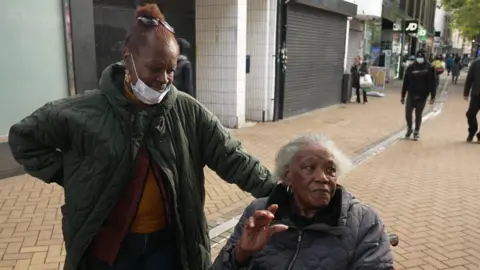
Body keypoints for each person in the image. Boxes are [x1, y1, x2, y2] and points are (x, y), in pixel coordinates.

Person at [8, 4, 277, 270]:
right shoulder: (83, 112)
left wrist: (280, 193)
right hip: (110, 248)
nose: (164, 79)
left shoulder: (189, 112)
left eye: (171, 69)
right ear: (129, 60)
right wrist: (74, 174)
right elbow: (24, 139)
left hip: (168, 246)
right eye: (155, 68)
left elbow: (232, 156)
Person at [212, 134, 394, 270]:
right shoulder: (259, 212)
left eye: (330, 170)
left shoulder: (365, 222)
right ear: (287, 175)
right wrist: (241, 253)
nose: (323, 178)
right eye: (309, 168)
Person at [401, 50, 436, 141]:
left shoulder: (430, 68)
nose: (420, 58)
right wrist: (403, 95)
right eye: (418, 56)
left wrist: (433, 96)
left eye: (421, 57)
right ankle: (409, 128)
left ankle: (416, 131)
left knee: (418, 114)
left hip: (423, 95)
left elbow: (433, 83)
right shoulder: (411, 67)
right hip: (411, 94)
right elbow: (406, 82)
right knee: (408, 113)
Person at [464, 58, 480, 143]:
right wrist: (466, 92)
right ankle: (472, 131)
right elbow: (469, 78)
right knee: (470, 114)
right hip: (476, 94)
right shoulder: (476, 63)